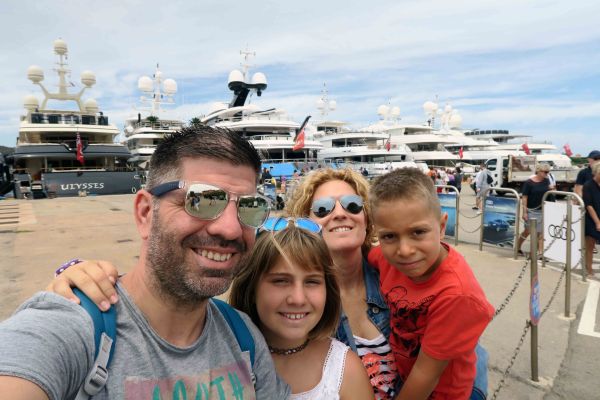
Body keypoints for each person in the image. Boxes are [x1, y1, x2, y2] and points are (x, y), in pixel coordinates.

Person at [0, 127, 290, 399]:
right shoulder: (71, 328)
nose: (230, 229)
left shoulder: (243, 337)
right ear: (145, 213)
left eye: (250, 206)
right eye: (202, 200)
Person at [368, 168, 494, 400]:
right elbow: (363, 255)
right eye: (389, 236)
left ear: (442, 227)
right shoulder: (386, 259)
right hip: (407, 374)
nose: (405, 250)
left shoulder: (457, 295)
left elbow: (426, 374)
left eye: (418, 232)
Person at [229, 217, 374, 399]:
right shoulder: (221, 358)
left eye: (312, 282)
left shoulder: (345, 370)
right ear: (250, 289)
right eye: (280, 281)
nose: (298, 299)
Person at [517, 163, 552, 257]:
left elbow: (549, 193)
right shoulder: (529, 183)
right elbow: (524, 197)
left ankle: (538, 253)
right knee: (528, 231)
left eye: (548, 172)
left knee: (540, 233)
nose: (547, 174)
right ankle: (518, 246)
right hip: (531, 210)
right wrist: (524, 212)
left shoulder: (546, 181)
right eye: (545, 172)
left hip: (542, 210)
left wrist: (551, 189)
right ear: (539, 171)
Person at [582, 163, 600, 278]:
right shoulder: (588, 185)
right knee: (590, 245)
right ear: (596, 173)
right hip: (591, 218)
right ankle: (588, 268)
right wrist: (597, 222)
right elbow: (588, 205)